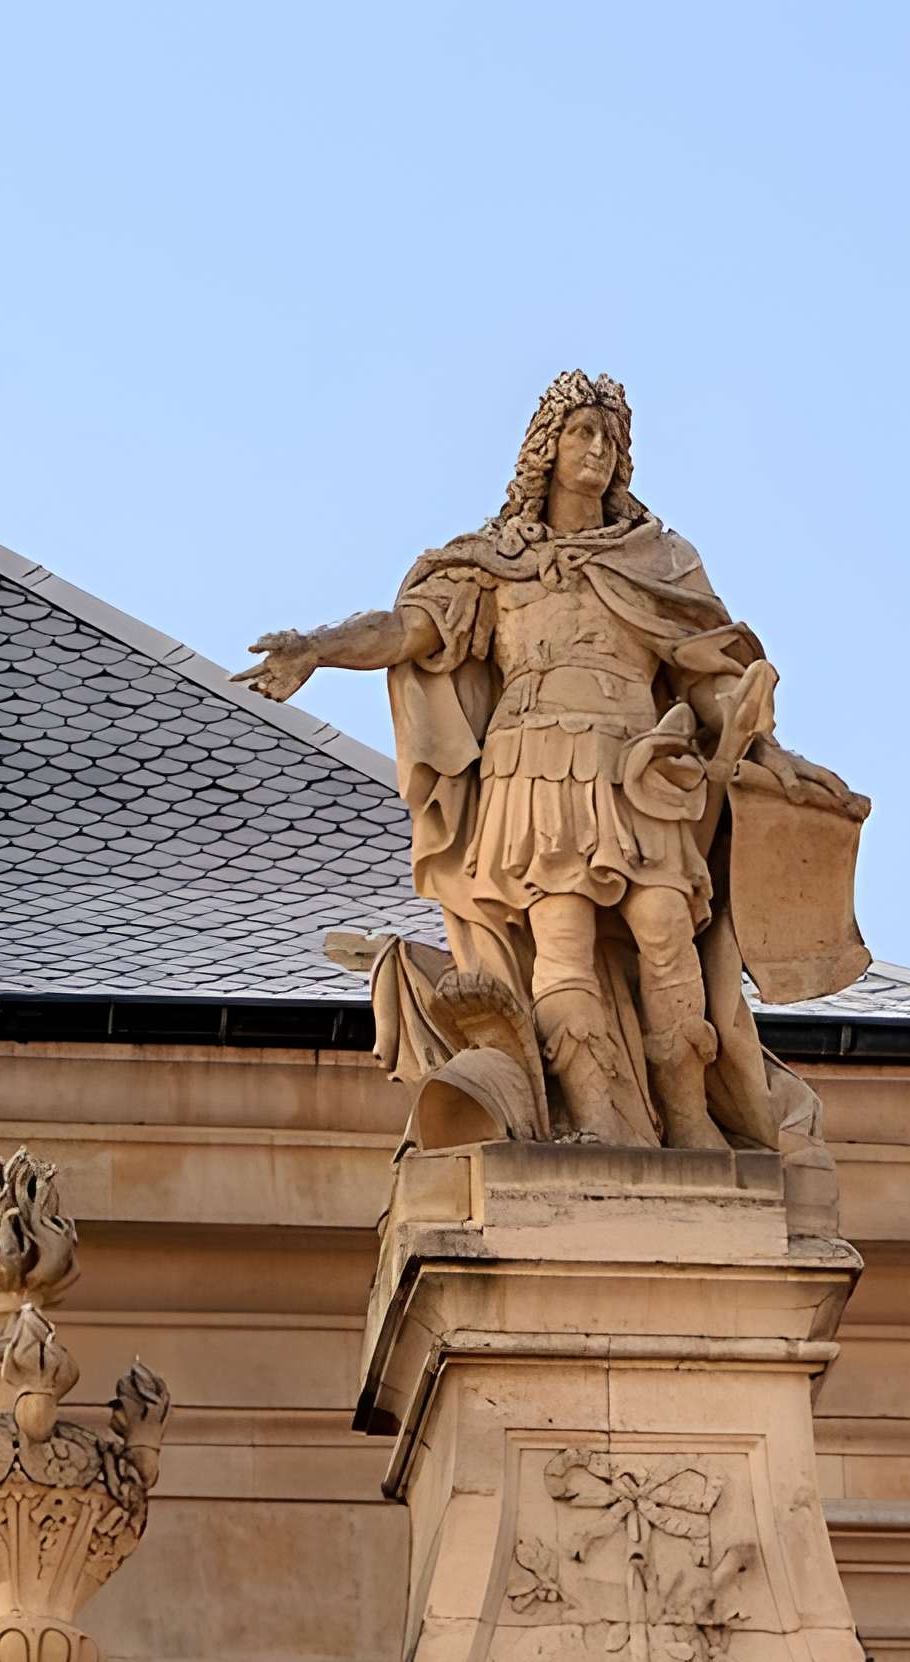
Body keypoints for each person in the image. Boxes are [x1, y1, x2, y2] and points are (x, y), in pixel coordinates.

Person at [238, 371, 861, 1148]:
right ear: (547, 448)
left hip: (640, 766)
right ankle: (600, 1119)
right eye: (581, 433)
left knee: (667, 926)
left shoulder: (658, 561)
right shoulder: (490, 564)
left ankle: (690, 1115)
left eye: (610, 436)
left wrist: (757, 736)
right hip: (531, 766)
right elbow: (408, 632)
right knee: (560, 941)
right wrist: (318, 649)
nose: (597, 449)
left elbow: (706, 679)